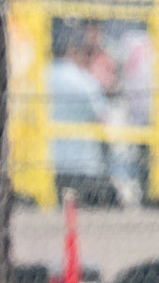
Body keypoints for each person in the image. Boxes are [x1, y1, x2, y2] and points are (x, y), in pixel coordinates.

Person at [48, 28, 116, 204]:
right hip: (83, 165)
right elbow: (102, 117)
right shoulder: (84, 81)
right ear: (72, 50)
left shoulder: (42, 76)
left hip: (49, 163)